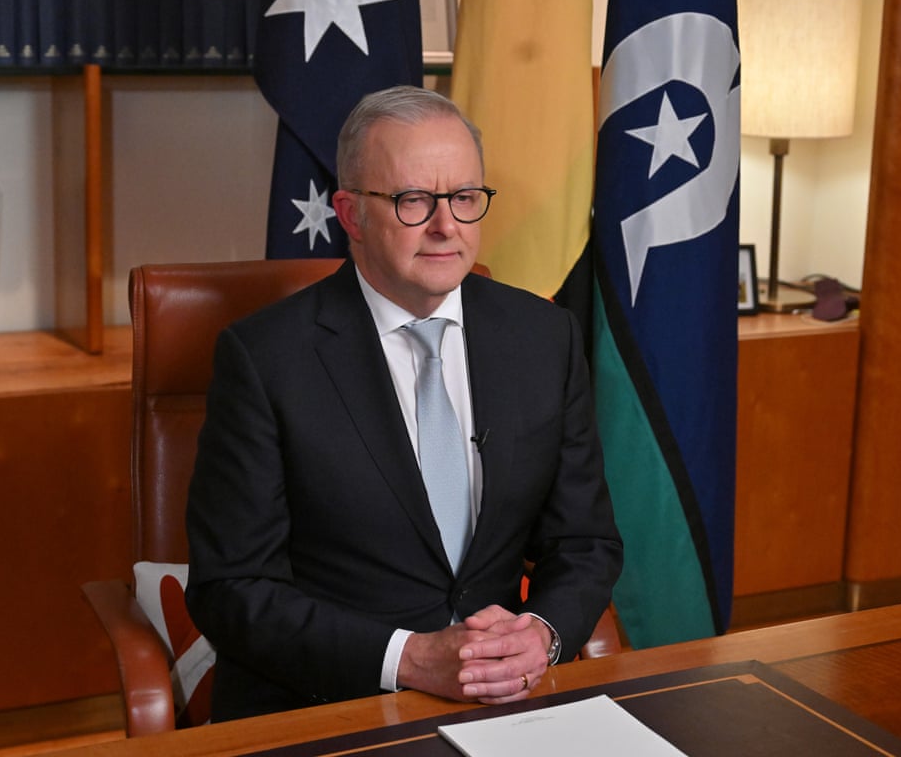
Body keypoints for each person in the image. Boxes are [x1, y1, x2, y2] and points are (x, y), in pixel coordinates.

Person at [185, 85, 623, 722]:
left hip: (502, 700)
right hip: (328, 703)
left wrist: (541, 634)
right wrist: (410, 658)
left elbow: (585, 542)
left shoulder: (543, 337)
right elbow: (231, 588)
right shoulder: (264, 358)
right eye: (414, 200)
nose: (447, 227)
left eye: (465, 198)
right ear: (351, 215)